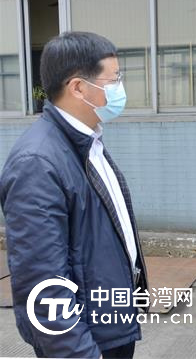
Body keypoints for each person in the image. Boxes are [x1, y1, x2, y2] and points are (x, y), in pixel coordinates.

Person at [0, 31, 148, 358]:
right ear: (78, 87)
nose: (120, 88)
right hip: (85, 341)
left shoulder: (86, 142)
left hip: (109, 324)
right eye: (114, 79)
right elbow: (42, 284)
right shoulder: (38, 162)